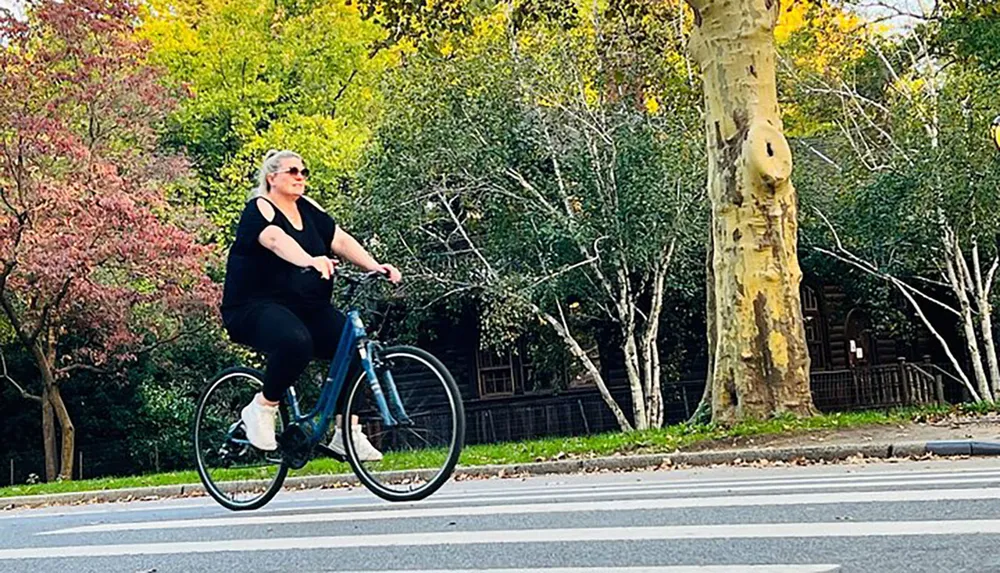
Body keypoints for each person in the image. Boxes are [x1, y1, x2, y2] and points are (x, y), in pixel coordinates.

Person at [221, 149, 401, 459]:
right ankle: (262, 407)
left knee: (354, 348)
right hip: (254, 307)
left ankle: (347, 433)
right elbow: (277, 240)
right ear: (272, 177)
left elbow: (341, 241)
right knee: (295, 342)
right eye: (292, 171)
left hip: (307, 308)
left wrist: (375, 267)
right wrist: (310, 260)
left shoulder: (309, 210)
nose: (300, 176)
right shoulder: (259, 209)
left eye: (304, 171)